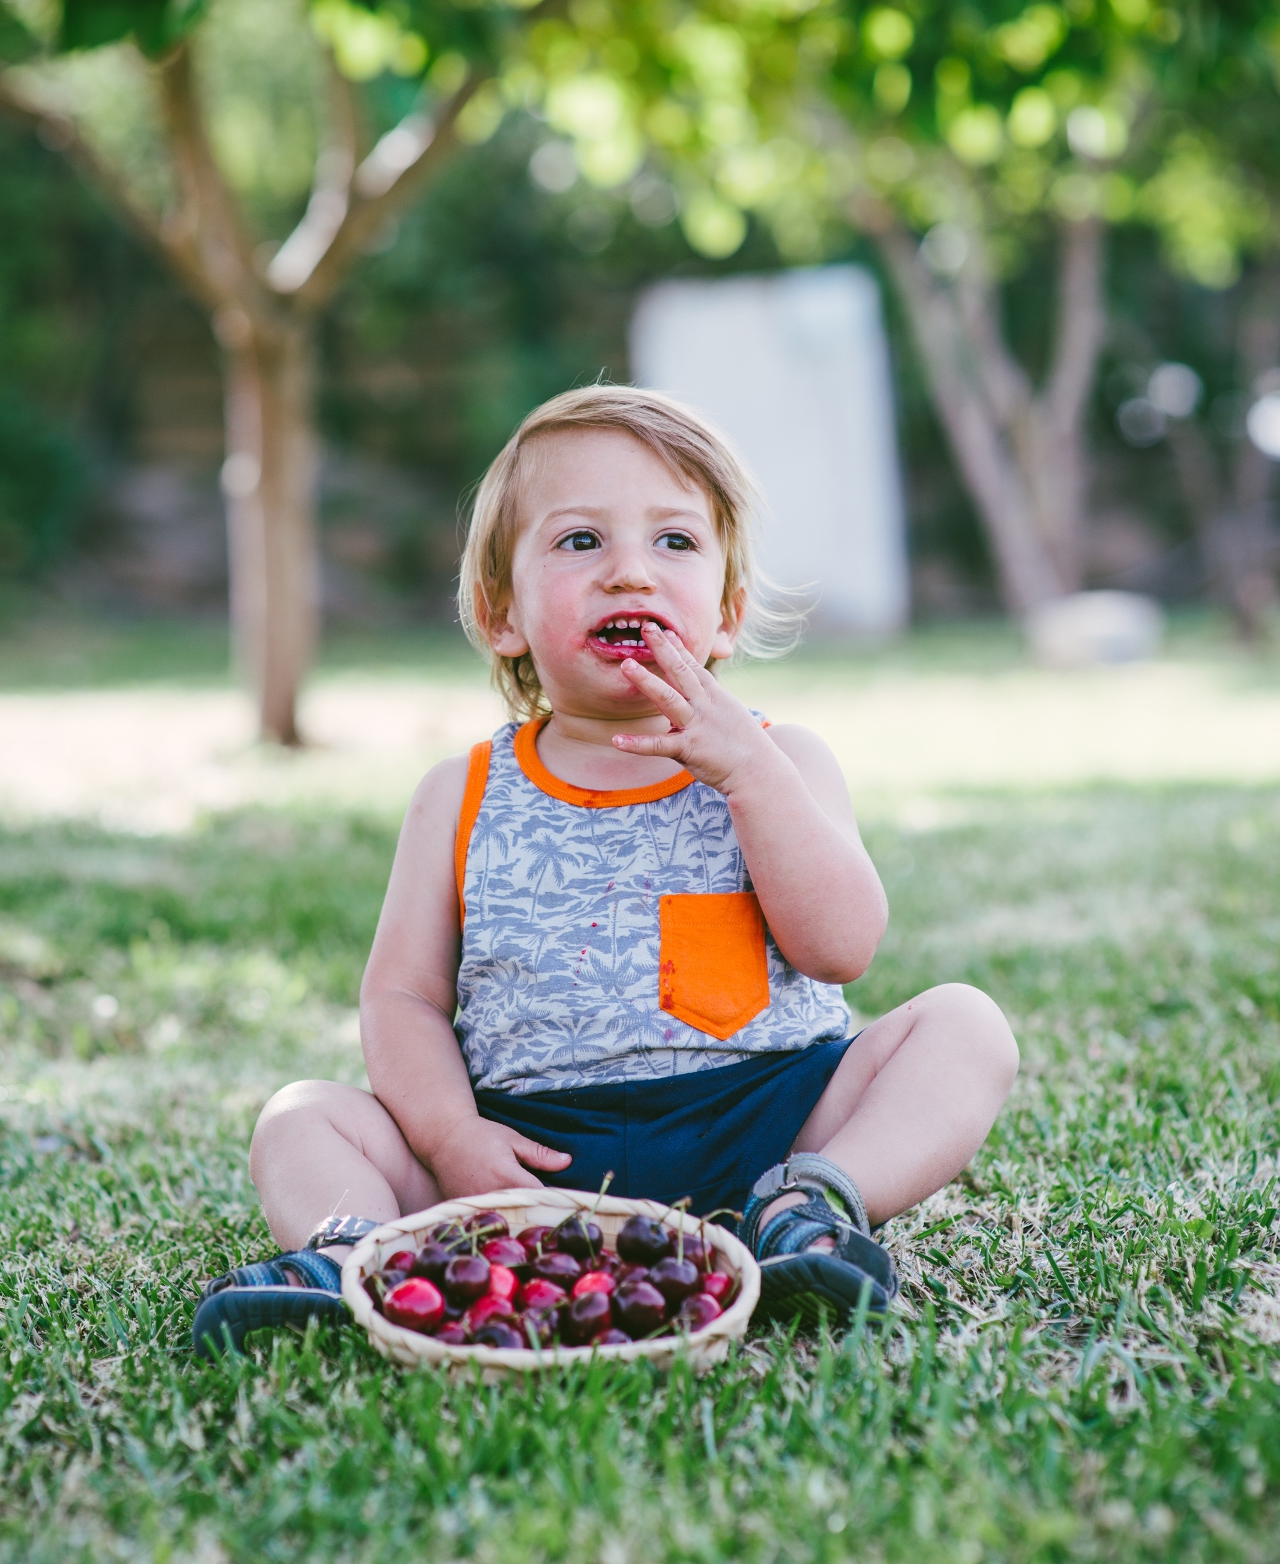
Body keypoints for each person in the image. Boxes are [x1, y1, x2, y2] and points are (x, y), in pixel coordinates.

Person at [193, 386, 1018, 1355]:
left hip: (765, 1122)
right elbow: (403, 1000)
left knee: (964, 1026)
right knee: (303, 1118)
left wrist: (747, 775)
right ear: (501, 613)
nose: (629, 572)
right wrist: (456, 1139)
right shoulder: (458, 794)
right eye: (580, 542)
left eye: (673, 543)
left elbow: (840, 949)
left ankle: (809, 1210)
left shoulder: (781, 760)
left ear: (725, 615)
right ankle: (362, 1258)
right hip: (528, 1157)